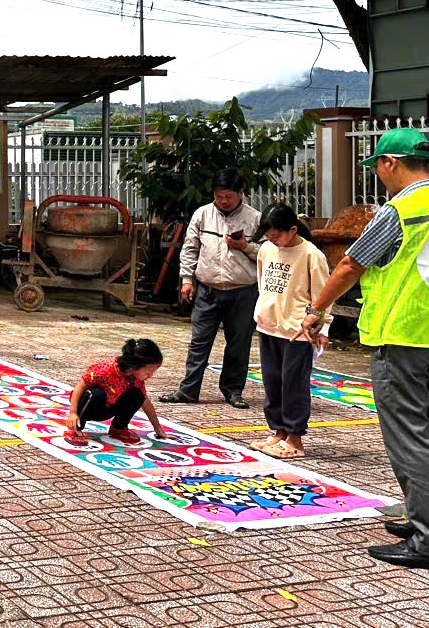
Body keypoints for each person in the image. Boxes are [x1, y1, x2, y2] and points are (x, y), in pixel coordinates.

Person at [299, 128, 429, 569]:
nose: (376, 173)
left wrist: (316, 307)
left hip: (404, 336)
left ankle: (426, 536)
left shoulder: (400, 211)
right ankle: (419, 517)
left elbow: (352, 263)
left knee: (410, 436)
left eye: (376, 164)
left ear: (392, 163)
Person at [159, 168, 262, 409]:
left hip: (244, 290)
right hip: (207, 288)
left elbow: (267, 253)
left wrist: (245, 246)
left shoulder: (254, 218)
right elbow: (190, 248)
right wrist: (187, 279)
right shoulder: (202, 214)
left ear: (241, 194)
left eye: (229, 196)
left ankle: (233, 391)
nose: (224, 201)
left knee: (239, 343)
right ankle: (188, 390)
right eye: (219, 196)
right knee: (199, 342)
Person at [248, 204, 332, 459]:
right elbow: (263, 284)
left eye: (277, 236)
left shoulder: (311, 254)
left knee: (293, 384)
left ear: (293, 229)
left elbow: (324, 294)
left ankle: (295, 438)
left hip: (298, 330)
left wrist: (323, 327)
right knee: (272, 380)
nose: (273, 241)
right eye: (269, 236)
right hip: (269, 324)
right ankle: (278, 431)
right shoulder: (266, 249)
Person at [65, 339, 168, 445]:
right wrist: (73, 413)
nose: (150, 376)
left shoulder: (136, 379)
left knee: (137, 395)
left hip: (108, 409)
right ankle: (75, 429)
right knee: (96, 394)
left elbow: (145, 402)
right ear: (134, 366)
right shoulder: (105, 370)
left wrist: (157, 428)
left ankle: (118, 428)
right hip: (89, 407)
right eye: (148, 372)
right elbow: (80, 386)